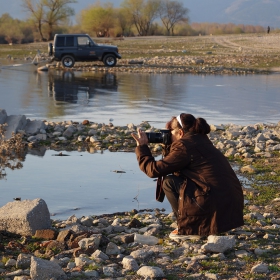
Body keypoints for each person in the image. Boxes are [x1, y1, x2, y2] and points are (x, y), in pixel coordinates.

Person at [131, 113, 244, 239]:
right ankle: (204, 224)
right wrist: (169, 146)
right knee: (178, 180)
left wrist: (142, 147)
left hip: (214, 203)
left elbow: (153, 170)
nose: (168, 134)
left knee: (169, 182)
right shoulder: (199, 139)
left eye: (170, 131)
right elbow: (178, 166)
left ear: (180, 132)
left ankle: (190, 229)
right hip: (230, 208)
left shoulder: (184, 146)